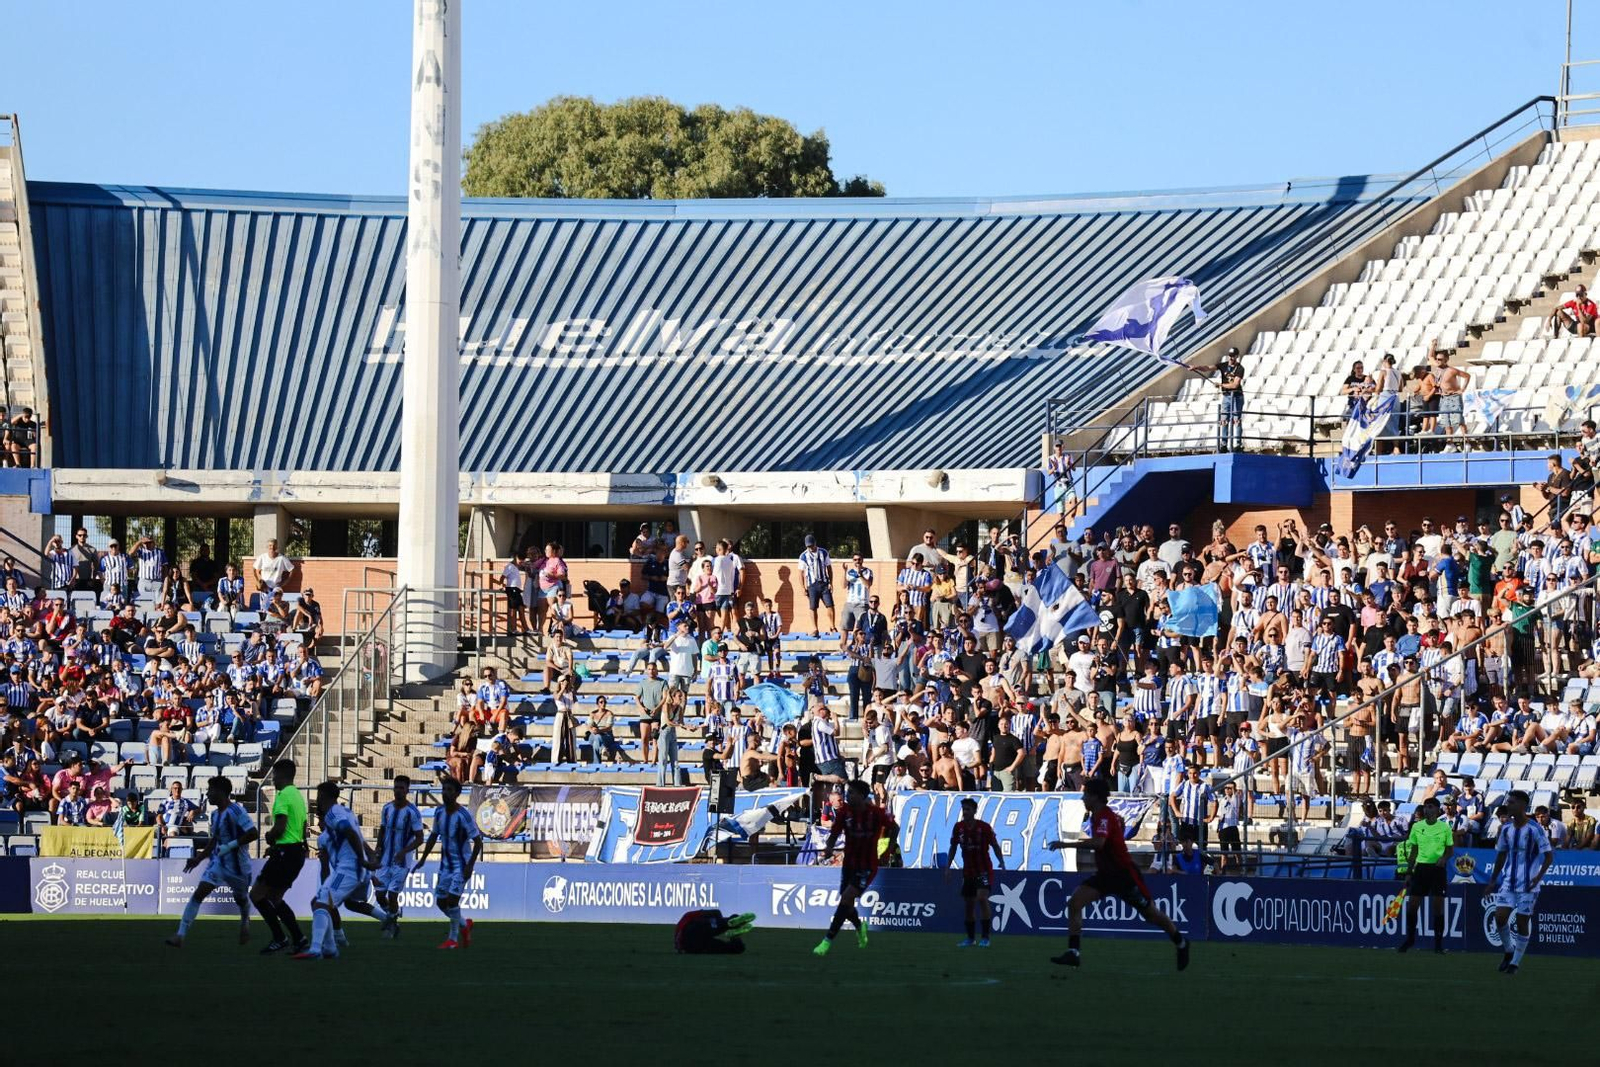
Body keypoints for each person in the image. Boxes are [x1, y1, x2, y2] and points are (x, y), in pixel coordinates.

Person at [1046, 777, 1190, 970]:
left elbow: (1099, 843)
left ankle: (1181, 942)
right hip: (1106, 875)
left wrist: (1065, 844)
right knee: (1074, 903)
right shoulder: (1097, 816)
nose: (1083, 798)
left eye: (1085, 794)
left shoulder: (1104, 816)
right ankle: (1073, 952)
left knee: (1151, 914)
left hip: (1123, 875)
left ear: (1095, 797)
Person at [294, 781, 386, 960]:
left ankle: (317, 948)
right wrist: (369, 856)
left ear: (322, 796)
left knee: (321, 904)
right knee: (323, 903)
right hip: (352, 869)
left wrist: (362, 859)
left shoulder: (332, 814)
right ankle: (329, 947)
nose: (317, 801)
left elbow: (350, 833)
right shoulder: (346, 812)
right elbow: (357, 836)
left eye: (318, 796)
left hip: (349, 869)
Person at [165, 776, 258, 949]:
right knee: (199, 894)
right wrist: (198, 859)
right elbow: (215, 840)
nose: (207, 794)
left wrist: (230, 845)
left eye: (210, 790)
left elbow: (253, 833)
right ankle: (180, 935)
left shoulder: (236, 811)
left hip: (238, 867)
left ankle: (245, 920)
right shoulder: (215, 815)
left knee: (241, 899)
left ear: (220, 792)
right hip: (218, 864)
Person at [813, 779, 900, 956]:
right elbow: (834, 833)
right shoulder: (845, 813)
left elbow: (895, 828)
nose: (848, 796)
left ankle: (827, 941)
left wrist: (887, 850)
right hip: (849, 864)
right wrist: (829, 848)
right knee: (847, 903)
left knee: (846, 898)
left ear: (861, 795)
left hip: (867, 865)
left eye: (851, 793)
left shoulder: (876, 813)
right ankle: (860, 927)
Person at [1484, 789, 1553, 975]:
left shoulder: (1535, 829)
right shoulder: (1506, 829)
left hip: (1529, 885)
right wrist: (1492, 881)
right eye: (1508, 802)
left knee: (1522, 922)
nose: (1508, 805)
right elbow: (1501, 855)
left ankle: (1515, 963)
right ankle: (1508, 950)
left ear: (1523, 805)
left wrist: (1538, 877)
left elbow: (1549, 857)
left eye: (1512, 802)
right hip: (1509, 882)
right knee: (1499, 918)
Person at [414, 775, 483, 950]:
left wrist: (470, 866)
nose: (445, 793)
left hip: (461, 865)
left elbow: (478, 842)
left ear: (457, 794)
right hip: (445, 865)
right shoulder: (439, 812)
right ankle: (464, 924)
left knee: (452, 901)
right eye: (444, 789)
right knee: (440, 902)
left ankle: (452, 939)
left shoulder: (463, 815)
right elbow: (433, 836)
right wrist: (423, 858)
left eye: (449, 790)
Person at [251, 760, 310, 955]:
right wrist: (277, 846)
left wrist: (270, 837)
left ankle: (280, 938)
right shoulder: (298, 796)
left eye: (274, 775)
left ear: (281, 775)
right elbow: (302, 828)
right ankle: (299, 938)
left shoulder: (283, 795)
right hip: (295, 853)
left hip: (285, 854)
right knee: (275, 898)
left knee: (257, 895)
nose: (273, 779)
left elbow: (280, 827)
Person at [1396, 796, 1454, 954]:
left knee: (1437, 907)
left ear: (1437, 809)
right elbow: (1413, 850)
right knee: (1412, 905)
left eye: (1430, 807)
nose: (1427, 809)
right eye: (1425, 807)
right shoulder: (1417, 826)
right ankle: (1410, 939)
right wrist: (1409, 872)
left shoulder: (1445, 828)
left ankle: (1438, 944)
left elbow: (1450, 850)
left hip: (1438, 870)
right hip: (1421, 869)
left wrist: (1444, 858)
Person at [944, 797, 1004, 947]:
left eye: (968, 809)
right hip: (968, 872)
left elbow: (995, 845)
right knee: (969, 904)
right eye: (963, 809)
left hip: (984, 870)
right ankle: (970, 938)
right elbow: (953, 847)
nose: (965, 812)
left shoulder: (984, 827)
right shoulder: (958, 827)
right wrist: (948, 867)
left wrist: (1001, 861)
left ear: (974, 811)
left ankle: (985, 937)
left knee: (982, 898)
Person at [372, 775, 425, 939]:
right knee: (380, 895)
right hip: (385, 859)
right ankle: (393, 915)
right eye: (396, 787)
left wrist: (404, 851)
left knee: (392, 895)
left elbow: (420, 838)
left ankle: (391, 927)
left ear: (407, 790)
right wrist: (378, 849)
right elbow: (382, 830)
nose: (398, 791)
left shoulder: (413, 812)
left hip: (402, 862)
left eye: (402, 788)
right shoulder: (387, 808)